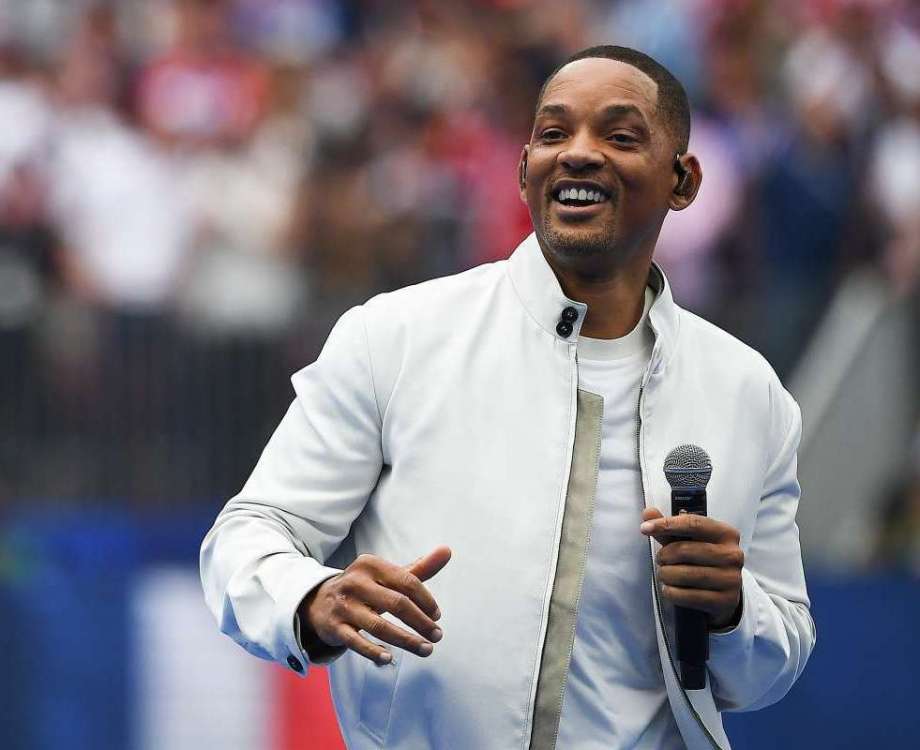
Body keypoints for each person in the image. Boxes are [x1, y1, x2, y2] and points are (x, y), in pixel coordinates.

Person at [200, 45, 815, 749]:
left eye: (620, 136)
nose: (578, 153)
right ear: (524, 170)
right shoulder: (394, 338)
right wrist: (311, 599)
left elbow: (779, 654)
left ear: (684, 181)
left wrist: (732, 610)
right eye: (554, 133)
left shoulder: (749, 393)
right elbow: (247, 536)